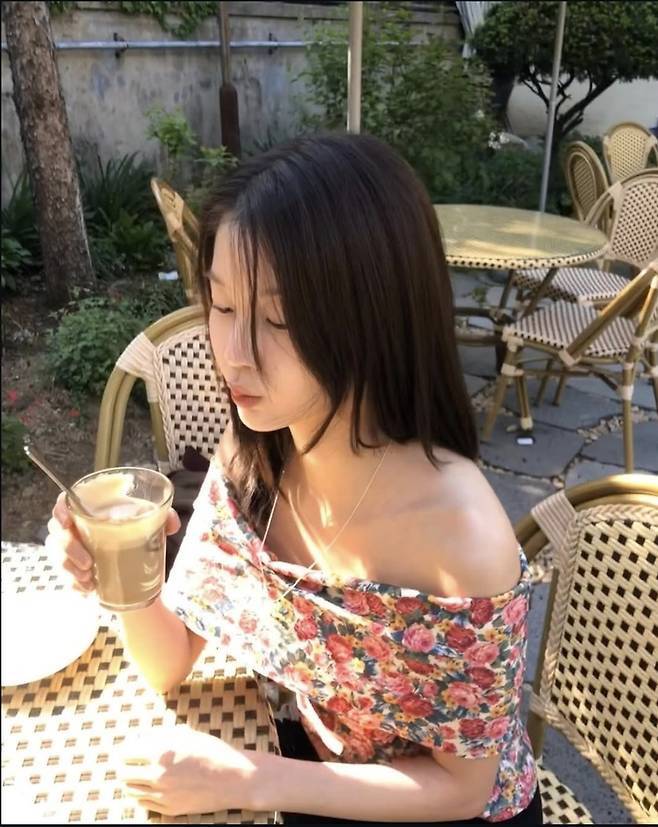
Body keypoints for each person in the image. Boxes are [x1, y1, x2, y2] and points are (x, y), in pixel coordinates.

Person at [46, 132, 542, 824]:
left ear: (374, 317)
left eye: (278, 317)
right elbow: (169, 662)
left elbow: (463, 788)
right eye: (222, 305)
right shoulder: (253, 459)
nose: (233, 354)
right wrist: (120, 567)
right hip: (315, 774)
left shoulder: (463, 538)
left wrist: (253, 778)